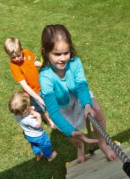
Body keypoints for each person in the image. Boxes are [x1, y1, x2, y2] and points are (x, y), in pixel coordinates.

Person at [39, 24, 117, 163]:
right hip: (62, 107)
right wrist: (70, 131)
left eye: (66, 53)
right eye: (57, 54)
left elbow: (81, 86)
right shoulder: (45, 77)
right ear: (45, 52)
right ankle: (80, 148)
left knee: (96, 110)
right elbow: (53, 112)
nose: (63, 58)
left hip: (79, 96)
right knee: (73, 135)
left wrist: (87, 104)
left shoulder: (75, 63)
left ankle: (103, 144)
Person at [4, 37, 56, 129]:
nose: (16, 59)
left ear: (22, 49)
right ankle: (48, 121)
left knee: (49, 100)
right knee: (40, 107)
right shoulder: (14, 66)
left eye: (18, 55)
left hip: (42, 84)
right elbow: (25, 86)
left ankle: (55, 115)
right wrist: (38, 98)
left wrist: (44, 65)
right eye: (13, 57)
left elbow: (34, 62)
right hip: (33, 92)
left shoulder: (27, 52)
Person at [9, 91, 57, 161]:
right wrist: (38, 116)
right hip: (39, 136)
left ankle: (38, 155)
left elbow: (22, 111)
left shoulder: (15, 113)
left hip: (29, 135)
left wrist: (30, 108)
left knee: (35, 145)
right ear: (25, 110)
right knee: (45, 145)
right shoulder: (28, 119)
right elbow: (38, 125)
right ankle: (49, 157)